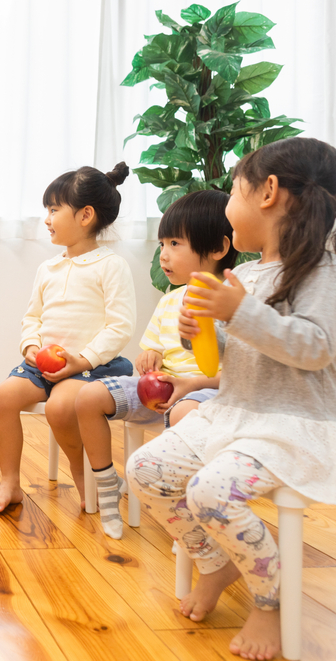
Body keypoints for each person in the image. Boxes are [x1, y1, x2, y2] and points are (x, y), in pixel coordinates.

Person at [125, 137, 336, 660]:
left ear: (268, 192)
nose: (227, 207)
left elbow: (314, 347)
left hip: (291, 424)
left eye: (233, 192)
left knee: (211, 492)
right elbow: (235, 354)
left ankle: (271, 599)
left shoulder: (324, 272)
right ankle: (215, 562)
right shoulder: (251, 273)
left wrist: (237, 312)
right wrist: (204, 331)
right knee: (146, 468)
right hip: (235, 415)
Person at [75, 190, 237, 538]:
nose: (164, 255)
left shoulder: (234, 302)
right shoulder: (170, 299)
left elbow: (241, 372)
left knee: (183, 415)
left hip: (205, 396)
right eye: (162, 244)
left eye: (175, 244)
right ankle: (107, 484)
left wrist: (193, 385)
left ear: (218, 249)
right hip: (163, 391)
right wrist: (151, 358)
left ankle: (188, 512)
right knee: (88, 398)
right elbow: (150, 350)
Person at [0, 163, 136, 513]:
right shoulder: (48, 268)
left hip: (92, 366)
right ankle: (10, 481)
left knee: (58, 407)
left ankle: (83, 473)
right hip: (45, 365)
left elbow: (120, 326)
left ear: (85, 215)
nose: (47, 218)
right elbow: (33, 317)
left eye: (54, 210)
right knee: (4, 396)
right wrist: (31, 347)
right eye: (47, 210)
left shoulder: (111, 266)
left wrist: (82, 360)